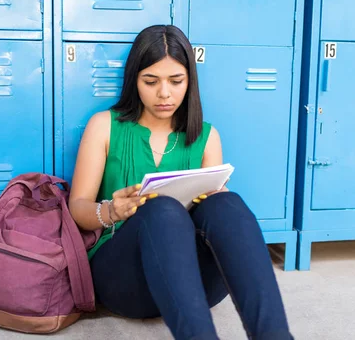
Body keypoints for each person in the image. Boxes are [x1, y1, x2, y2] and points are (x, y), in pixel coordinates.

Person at [69, 25, 293, 340]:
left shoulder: (207, 136)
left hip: (198, 285)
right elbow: (77, 207)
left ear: (190, 82)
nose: (165, 94)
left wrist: (216, 200)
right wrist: (111, 211)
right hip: (125, 280)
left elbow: (214, 211)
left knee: (226, 203)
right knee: (161, 209)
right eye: (151, 81)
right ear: (135, 80)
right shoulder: (104, 126)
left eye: (176, 81)